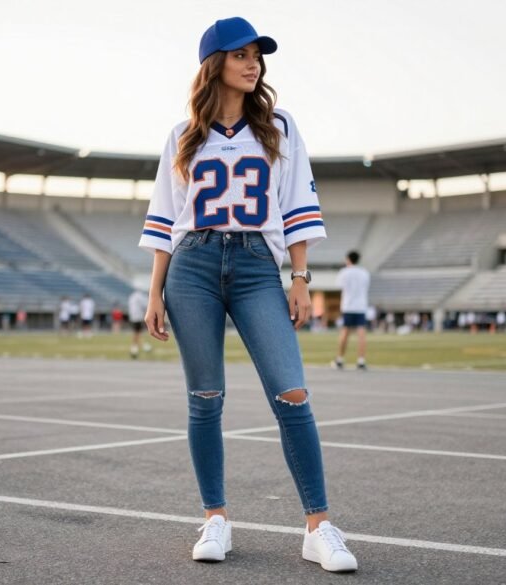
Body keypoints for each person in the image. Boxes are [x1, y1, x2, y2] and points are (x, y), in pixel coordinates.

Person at [139, 17, 356, 572]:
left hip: (259, 264)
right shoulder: (183, 134)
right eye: (240, 54)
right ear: (215, 63)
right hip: (193, 265)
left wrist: (300, 278)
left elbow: (297, 204)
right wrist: (154, 292)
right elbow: (167, 219)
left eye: (257, 54)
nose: (253, 62)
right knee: (205, 398)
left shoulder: (279, 126)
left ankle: (318, 526)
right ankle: (216, 517)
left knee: (293, 393)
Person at [332, 251, 370, 371]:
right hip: (360, 306)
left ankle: (340, 359)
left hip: (348, 306)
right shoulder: (364, 273)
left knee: (344, 333)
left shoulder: (344, 272)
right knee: (362, 334)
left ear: (348, 259)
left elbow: (339, 287)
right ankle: (361, 360)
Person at [127, 288, 151, 359]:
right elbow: (146, 305)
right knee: (137, 333)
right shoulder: (140, 296)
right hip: (138, 316)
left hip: (132, 317)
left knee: (136, 333)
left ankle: (137, 348)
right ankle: (141, 348)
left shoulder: (132, 296)